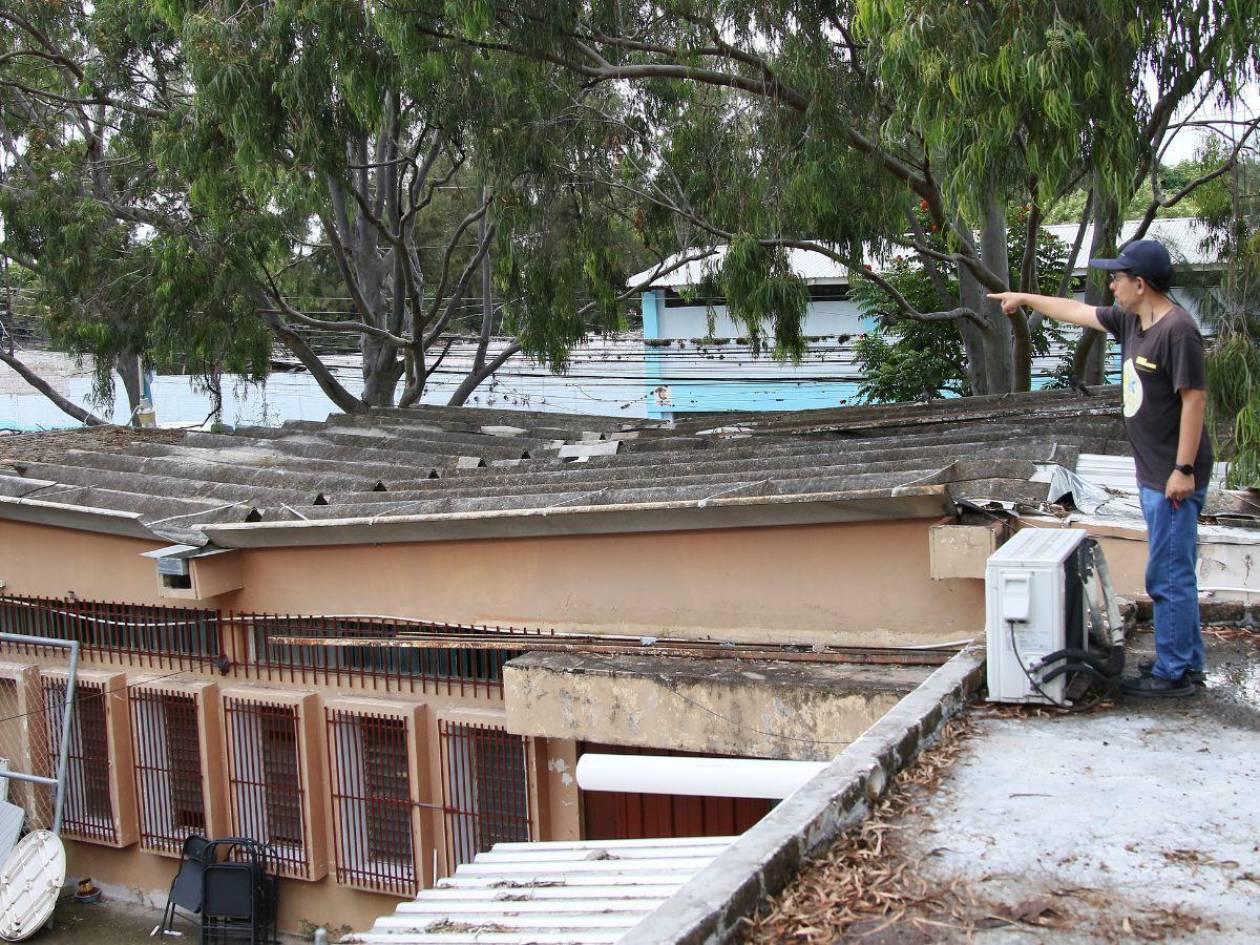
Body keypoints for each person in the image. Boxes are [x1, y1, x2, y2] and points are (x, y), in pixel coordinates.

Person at [989, 239, 1212, 698]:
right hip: (1153, 472)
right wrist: (1026, 299)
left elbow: (1195, 400)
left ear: (1140, 283)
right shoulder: (1133, 320)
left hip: (1173, 476)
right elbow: (1076, 311)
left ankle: (1175, 676)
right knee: (1172, 572)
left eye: (1117, 277)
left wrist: (1184, 469)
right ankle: (1184, 663)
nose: (1111, 285)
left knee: (1168, 577)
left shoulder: (1178, 330)